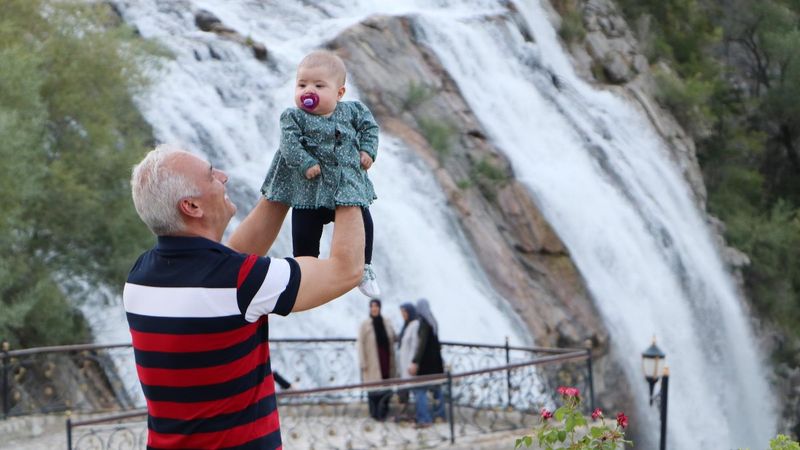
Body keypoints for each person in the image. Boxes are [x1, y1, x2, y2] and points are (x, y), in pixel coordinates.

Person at [124, 145, 364, 449]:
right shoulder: (238, 281)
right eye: (211, 176)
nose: (223, 177)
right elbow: (346, 270)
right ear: (191, 206)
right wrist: (349, 181)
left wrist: (281, 189)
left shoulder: (140, 277)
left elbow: (228, 263)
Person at [260, 49, 381, 298]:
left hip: (345, 187)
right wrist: (305, 162)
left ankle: (365, 268)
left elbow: (370, 129)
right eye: (302, 84)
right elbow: (289, 144)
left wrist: (368, 150)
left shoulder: (354, 112)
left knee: (364, 223)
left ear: (339, 93)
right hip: (310, 190)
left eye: (319, 85)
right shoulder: (293, 117)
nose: (308, 91)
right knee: (304, 231)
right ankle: (304, 271)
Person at [356, 299, 396, 421]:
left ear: (380, 307)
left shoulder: (386, 322)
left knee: (385, 385)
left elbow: (393, 337)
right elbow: (360, 344)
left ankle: (383, 412)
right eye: (372, 306)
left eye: (376, 306)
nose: (374, 308)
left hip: (385, 359)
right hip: (372, 361)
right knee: (373, 388)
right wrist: (363, 362)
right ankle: (374, 414)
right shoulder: (365, 324)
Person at [409, 298, 446, 428]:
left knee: (419, 390)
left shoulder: (424, 323)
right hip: (436, 363)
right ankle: (440, 415)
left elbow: (421, 345)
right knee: (437, 389)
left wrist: (415, 362)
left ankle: (424, 419)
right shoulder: (433, 321)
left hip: (425, 363)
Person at [395, 302, 420, 420]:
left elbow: (415, 345)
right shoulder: (407, 325)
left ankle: (414, 415)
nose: (403, 315)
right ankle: (405, 415)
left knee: (411, 390)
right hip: (403, 364)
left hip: (409, 365)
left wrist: (413, 363)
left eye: (404, 312)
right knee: (404, 390)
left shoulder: (414, 325)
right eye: (402, 313)